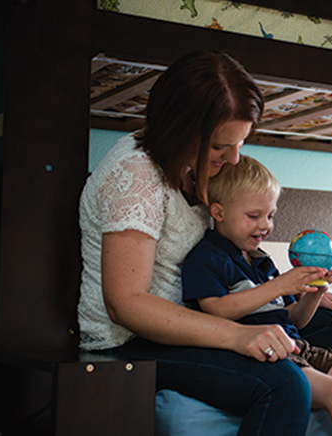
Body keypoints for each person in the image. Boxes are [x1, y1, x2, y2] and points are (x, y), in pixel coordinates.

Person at [77, 51, 313, 435]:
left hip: (190, 321)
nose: (234, 158)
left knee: (330, 328)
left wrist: (296, 292)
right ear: (181, 130)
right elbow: (125, 304)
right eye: (221, 146)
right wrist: (237, 336)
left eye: (239, 143)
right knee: (282, 384)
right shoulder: (136, 175)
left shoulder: (192, 167)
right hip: (131, 340)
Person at [182, 155, 332, 436]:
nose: (265, 225)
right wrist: (278, 286)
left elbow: (296, 320)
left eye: (270, 215)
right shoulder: (207, 257)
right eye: (254, 216)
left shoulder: (261, 261)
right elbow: (215, 310)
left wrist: (315, 291)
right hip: (262, 354)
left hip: (295, 345)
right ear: (218, 212)